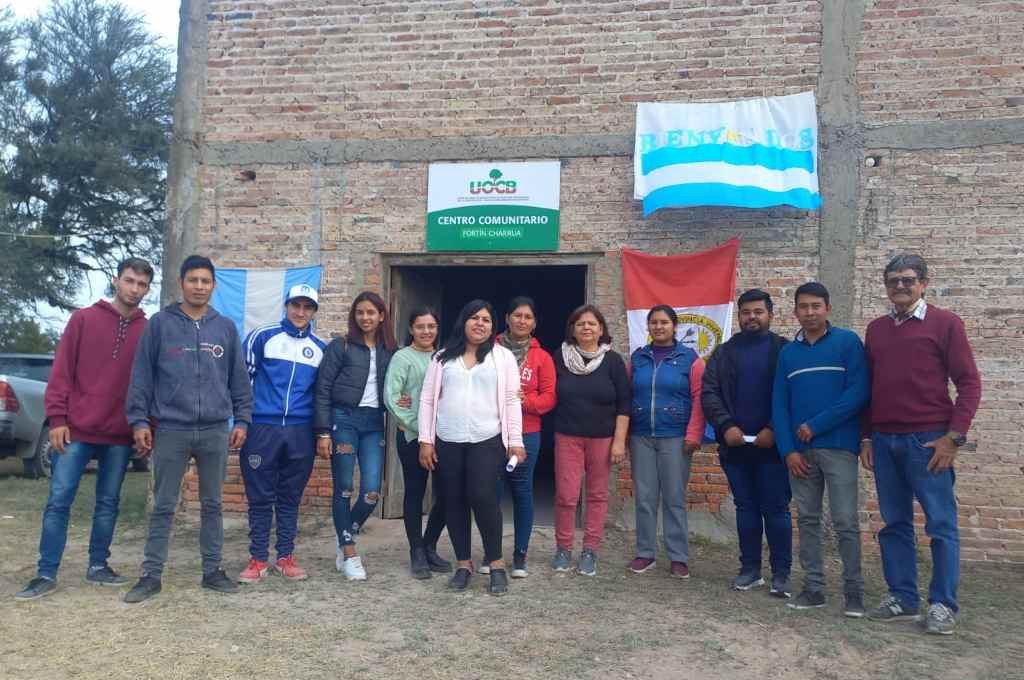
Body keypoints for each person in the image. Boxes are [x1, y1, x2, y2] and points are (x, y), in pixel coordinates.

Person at [15, 258, 154, 601]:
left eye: (141, 284)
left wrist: (146, 425)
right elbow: (61, 371)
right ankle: (46, 572)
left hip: (120, 434)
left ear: (148, 288)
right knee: (59, 500)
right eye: (129, 281)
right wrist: (58, 419)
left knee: (108, 503)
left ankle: (98, 566)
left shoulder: (147, 330)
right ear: (116, 281)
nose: (134, 289)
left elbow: (150, 384)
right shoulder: (83, 319)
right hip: (76, 430)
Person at [861, 255, 981, 635]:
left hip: (928, 441)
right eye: (893, 280)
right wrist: (866, 436)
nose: (900, 286)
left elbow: (969, 384)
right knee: (894, 524)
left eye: (908, 280)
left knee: (941, 524)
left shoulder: (946, 324)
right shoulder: (877, 329)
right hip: (884, 440)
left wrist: (954, 437)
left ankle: (943, 604)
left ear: (924, 283)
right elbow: (870, 387)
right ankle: (902, 597)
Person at [123, 255, 253, 604]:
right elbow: (142, 376)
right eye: (193, 280)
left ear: (213, 285)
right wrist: (138, 420)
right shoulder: (160, 325)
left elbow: (238, 379)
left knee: (212, 504)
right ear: (181, 282)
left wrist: (241, 419)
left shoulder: (224, 327)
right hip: (171, 429)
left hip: (214, 430)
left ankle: (212, 571)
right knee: (164, 505)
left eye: (205, 281)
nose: (199, 286)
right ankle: (151, 575)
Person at [772, 282, 869, 617]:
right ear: (795, 311)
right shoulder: (788, 353)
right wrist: (788, 450)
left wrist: (817, 425)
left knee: (844, 521)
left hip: (839, 447)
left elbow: (858, 392)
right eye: (803, 307)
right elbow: (779, 406)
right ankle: (814, 588)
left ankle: (854, 593)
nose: (810, 312)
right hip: (800, 455)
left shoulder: (847, 343)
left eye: (816, 306)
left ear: (827, 308)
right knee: (808, 520)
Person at [417, 299, 526, 596]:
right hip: (448, 440)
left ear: (493, 326)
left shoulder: (502, 358)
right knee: (453, 500)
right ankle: (463, 564)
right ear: (463, 321)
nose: (480, 323)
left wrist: (515, 440)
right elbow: (427, 400)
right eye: (474, 318)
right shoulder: (441, 358)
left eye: (486, 320)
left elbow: (511, 401)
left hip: (487, 439)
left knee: (483, 497)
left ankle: (497, 564)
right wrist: (426, 440)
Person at [701, 289, 793, 597]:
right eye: (746, 312)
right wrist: (725, 426)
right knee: (746, 508)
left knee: (776, 509)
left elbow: (793, 396)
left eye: (758, 312)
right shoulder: (724, 352)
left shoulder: (784, 351)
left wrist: (773, 429)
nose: (751, 317)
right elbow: (709, 392)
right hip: (736, 446)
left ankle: (781, 574)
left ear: (770, 314)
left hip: (774, 448)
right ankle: (750, 569)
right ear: (738, 316)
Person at [237, 284, 327, 584]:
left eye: (307, 307)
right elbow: (241, 383)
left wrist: (321, 432)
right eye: (295, 305)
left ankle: (285, 557)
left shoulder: (320, 348)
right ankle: (258, 558)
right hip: (263, 427)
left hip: (300, 431)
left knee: (290, 497)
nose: (301, 312)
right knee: (260, 496)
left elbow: (320, 395)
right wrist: (241, 422)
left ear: (314, 311)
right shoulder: (262, 336)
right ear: (286, 305)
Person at [314, 291, 396, 581]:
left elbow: (399, 384)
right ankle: (349, 552)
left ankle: (343, 535)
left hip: (374, 423)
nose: (365, 317)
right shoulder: (342, 346)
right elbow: (322, 389)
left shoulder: (390, 349)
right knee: (345, 487)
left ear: (381, 315)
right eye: (360, 312)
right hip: (343, 420)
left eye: (371, 312)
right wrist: (323, 432)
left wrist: (405, 401)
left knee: (372, 491)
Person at [627, 304, 706, 580]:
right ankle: (645, 553)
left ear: (674, 326)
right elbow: (626, 396)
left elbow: (699, 399)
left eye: (664, 322)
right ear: (647, 327)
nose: (658, 327)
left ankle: (678, 556)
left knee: (674, 498)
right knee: (645, 498)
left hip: (675, 437)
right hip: (641, 436)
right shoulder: (637, 358)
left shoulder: (690, 359)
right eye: (653, 323)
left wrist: (694, 434)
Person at [551, 304, 630, 577]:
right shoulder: (559, 357)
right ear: (572, 329)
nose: (586, 327)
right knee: (566, 495)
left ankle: (590, 550)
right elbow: (548, 392)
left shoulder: (613, 361)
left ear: (601, 329)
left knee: (596, 496)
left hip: (603, 439)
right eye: (580, 323)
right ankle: (563, 548)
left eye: (592, 323)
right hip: (567, 436)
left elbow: (624, 404)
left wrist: (619, 442)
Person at [487, 296, 556, 579]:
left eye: (528, 317)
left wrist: (523, 401)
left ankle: (520, 556)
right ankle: (493, 554)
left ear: (534, 323)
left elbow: (549, 398)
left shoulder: (542, 357)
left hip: (527, 434)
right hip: (491, 432)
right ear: (507, 318)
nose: (522, 321)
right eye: (517, 315)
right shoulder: (488, 349)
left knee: (522, 492)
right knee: (490, 493)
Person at [383, 306, 452, 579]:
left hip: (445, 437)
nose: (426, 331)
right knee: (415, 492)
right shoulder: (403, 357)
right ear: (411, 329)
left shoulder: (445, 357)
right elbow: (392, 396)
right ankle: (416, 552)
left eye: (431, 326)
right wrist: (422, 428)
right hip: (413, 437)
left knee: (448, 494)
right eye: (420, 326)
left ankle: (430, 544)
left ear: (437, 329)